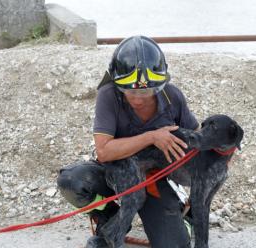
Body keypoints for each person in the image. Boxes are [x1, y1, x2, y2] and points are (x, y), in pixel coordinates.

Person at [57, 36, 199, 248]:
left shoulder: (173, 98)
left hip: (154, 180)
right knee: (72, 181)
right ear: (117, 84)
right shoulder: (108, 95)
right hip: (115, 171)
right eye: (131, 91)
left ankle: (184, 218)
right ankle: (110, 219)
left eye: (147, 92)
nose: (138, 98)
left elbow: (196, 138)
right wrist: (152, 136)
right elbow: (103, 151)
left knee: (174, 245)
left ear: (160, 86)